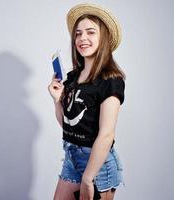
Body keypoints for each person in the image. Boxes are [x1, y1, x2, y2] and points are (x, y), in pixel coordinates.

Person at [48, 3, 126, 200]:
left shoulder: (111, 80)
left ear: (104, 38)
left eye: (90, 32)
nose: (82, 38)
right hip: (71, 157)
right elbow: (68, 125)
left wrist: (88, 178)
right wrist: (58, 101)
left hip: (97, 164)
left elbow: (106, 134)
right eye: (78, 34)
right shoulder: (72, 78)